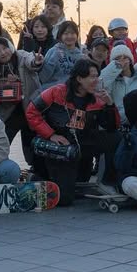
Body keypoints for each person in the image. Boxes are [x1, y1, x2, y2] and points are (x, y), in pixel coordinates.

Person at [25, 59, 120, 205]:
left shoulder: (98, 97)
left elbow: (112, 127)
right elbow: (31, 112)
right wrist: (50, 134)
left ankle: (109, 181)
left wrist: (109, 104)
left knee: (117, 137)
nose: (97, 80)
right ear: (79, 78)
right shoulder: (56, 92)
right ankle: (36, 178)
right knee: (64, 199)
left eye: (97, 76)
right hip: (61, 147)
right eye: (92, 77)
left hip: (82, 144)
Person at [100, 43, 137, 119]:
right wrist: (114, 67)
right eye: (117, 59)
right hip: (116, 121)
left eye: (125, 58)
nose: (121, 61)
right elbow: (99, 85)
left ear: (130, 60)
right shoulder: (110, 82)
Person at [38, 21, 85, 89]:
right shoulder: (53, 51)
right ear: (60, 36)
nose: (69, 36)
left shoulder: (81, 56)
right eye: (66, 33)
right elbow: (43, 77)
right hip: (52, 91)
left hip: (72, 92)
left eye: (72, 33)